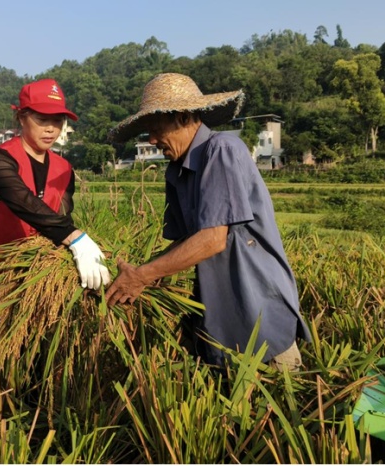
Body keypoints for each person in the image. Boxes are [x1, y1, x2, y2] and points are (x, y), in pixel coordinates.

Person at [106, 73, 310, 371]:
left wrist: (143, 275)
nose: (151, 139)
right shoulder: (176, 172)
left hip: (257, 308)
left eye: (155, 127)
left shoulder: (222, 150)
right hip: (219, 317)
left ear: (184, 116)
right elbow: (186, 241)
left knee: (277, 410)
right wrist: (137, 274)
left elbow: (213, 238)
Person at [0, 78, 110, 363]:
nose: (51, 128)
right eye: (41, 119)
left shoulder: (64, 169)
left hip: (29, 285)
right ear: (21, 116)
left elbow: (61, 216)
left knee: (23, 369)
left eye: (58, 120)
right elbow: (22, 201)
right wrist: (77, 238)